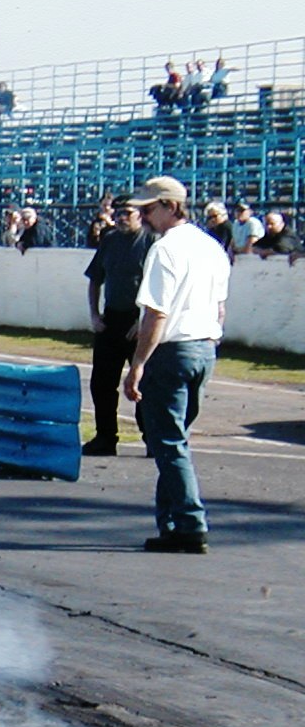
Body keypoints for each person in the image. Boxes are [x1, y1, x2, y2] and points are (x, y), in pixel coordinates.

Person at [123, 176, 229, 553]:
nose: (144, 217)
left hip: (173, 351)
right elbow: (219, 307)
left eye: (149, 209)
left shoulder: (165, 249)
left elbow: (156, 313)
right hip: (203, 347)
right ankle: (171, 522)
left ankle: (189, 522)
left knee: (168, 442)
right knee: (175, 441)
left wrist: (138, 363)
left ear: (170, 206)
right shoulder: (211, 247)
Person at [81, 197, 155, 456]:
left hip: (139, 318)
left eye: (128, 213)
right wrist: (95, 314)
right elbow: (95, 279)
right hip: (112, 318)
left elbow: (157, 285)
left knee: (143, 383)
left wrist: (143, 319)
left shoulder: (152, 241)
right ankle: (105, 437)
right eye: (119, 213)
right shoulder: (110, 240)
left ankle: (151, 437)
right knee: (102, 382)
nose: (122, 218)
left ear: (140, 215)